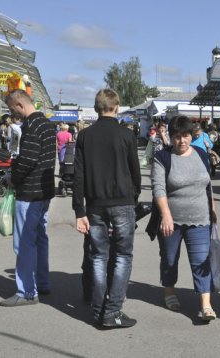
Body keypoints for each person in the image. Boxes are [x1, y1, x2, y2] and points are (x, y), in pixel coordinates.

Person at [72, 89, 141, 328]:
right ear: (116, 106)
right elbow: (136, 172)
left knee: (98, 256)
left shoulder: (84, 136)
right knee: (122, 256)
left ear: (96, 107)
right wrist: (134, 196)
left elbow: (77, 176)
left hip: (95, 204)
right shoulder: (126, 135)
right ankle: (113, 311)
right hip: (122, 201)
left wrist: (79, 210)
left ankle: (99, 309)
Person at [149, 115, 218, 321]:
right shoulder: (163, 157)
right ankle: (169, 291)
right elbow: (158, 188)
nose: (182, 141)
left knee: (201, 261)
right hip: (172, 221)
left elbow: (208, 184)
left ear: (191, 135)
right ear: (171, 136)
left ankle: (206, 304)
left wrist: (213, 208)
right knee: (170, 259)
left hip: (200, 219)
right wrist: (166, 215)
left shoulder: (201, 154)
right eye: (177, 136)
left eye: (186, 136)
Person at [0, 89, 56, 307]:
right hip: (44, 191)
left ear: (19, 105)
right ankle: (42, 282)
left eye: (13, 109)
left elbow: (28, 159)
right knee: (40, 238)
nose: (13, 114)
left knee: (23, 243)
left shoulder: (32, 126)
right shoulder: (47, 124)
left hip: (29, 193)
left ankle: (26, 292)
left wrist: (13, 177)